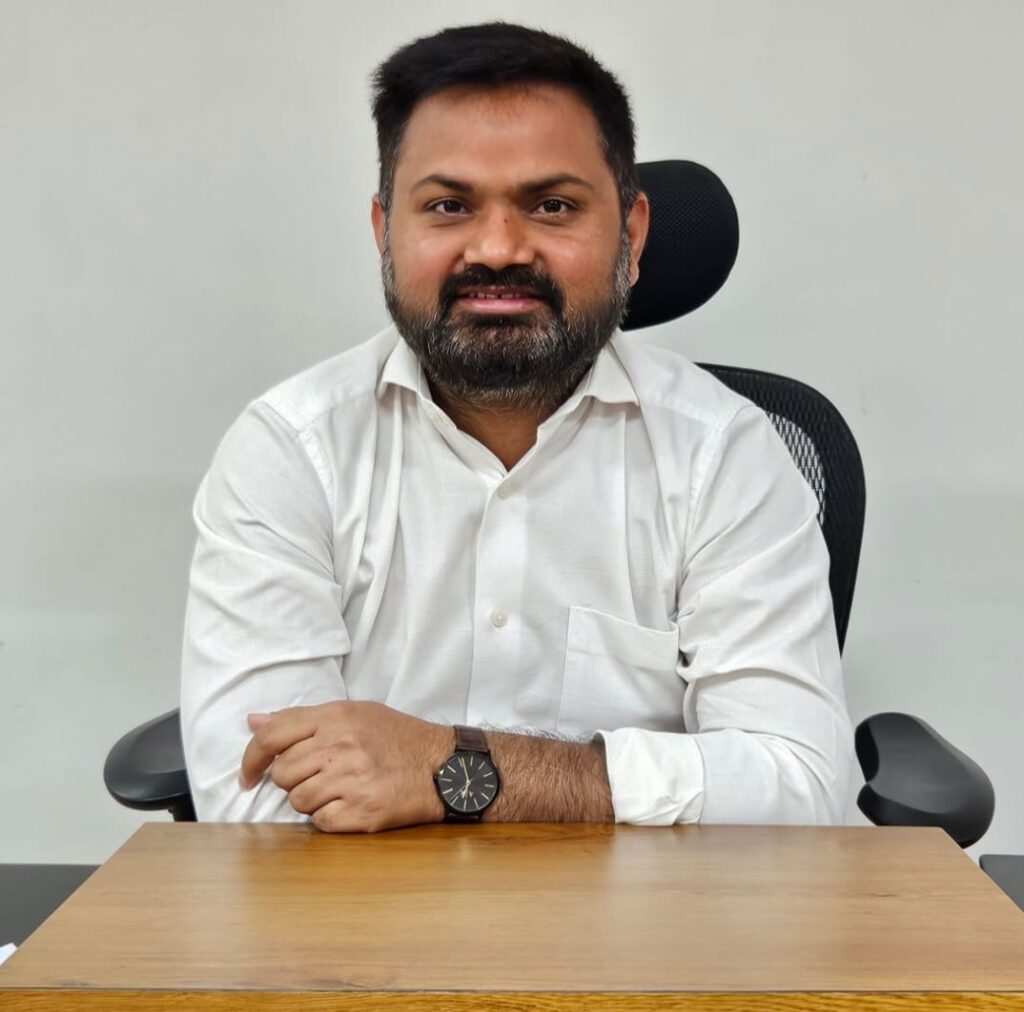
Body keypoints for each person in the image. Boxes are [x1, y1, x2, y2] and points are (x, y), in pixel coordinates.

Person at [180, 20, 855, 832]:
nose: (498, 249)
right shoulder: (292, 452)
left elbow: (800, 790)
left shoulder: (726, 455)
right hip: (367, 914)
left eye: (552, 206)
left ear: (632, 234)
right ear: (384, 231)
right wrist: (608, 786)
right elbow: (252, 804)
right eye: (449, 206)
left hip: (651, 912)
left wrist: (455, 768)